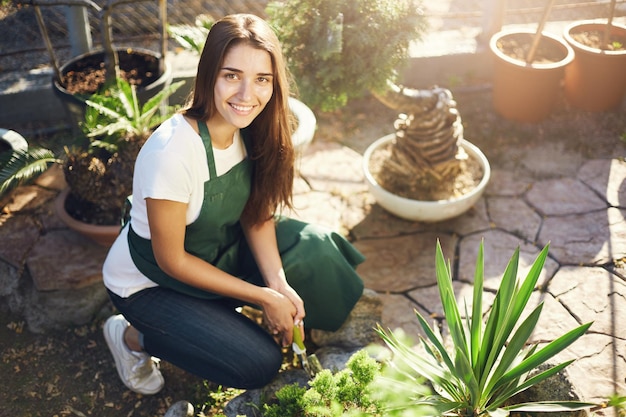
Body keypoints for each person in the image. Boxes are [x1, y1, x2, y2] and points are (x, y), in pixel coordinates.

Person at [101, 13, 365, 395]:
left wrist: (279, 284)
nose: (247, 95)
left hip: (215, 250)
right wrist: (262, 297)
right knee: (256, 363)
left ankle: (257, 315)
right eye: (231, 75)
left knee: (317, 249)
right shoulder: (172, 152)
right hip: (150, 282)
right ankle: (131, 338)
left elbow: (256, 213)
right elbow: (171, 261)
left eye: (262, 79)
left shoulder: (255, 128)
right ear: (209, 74)